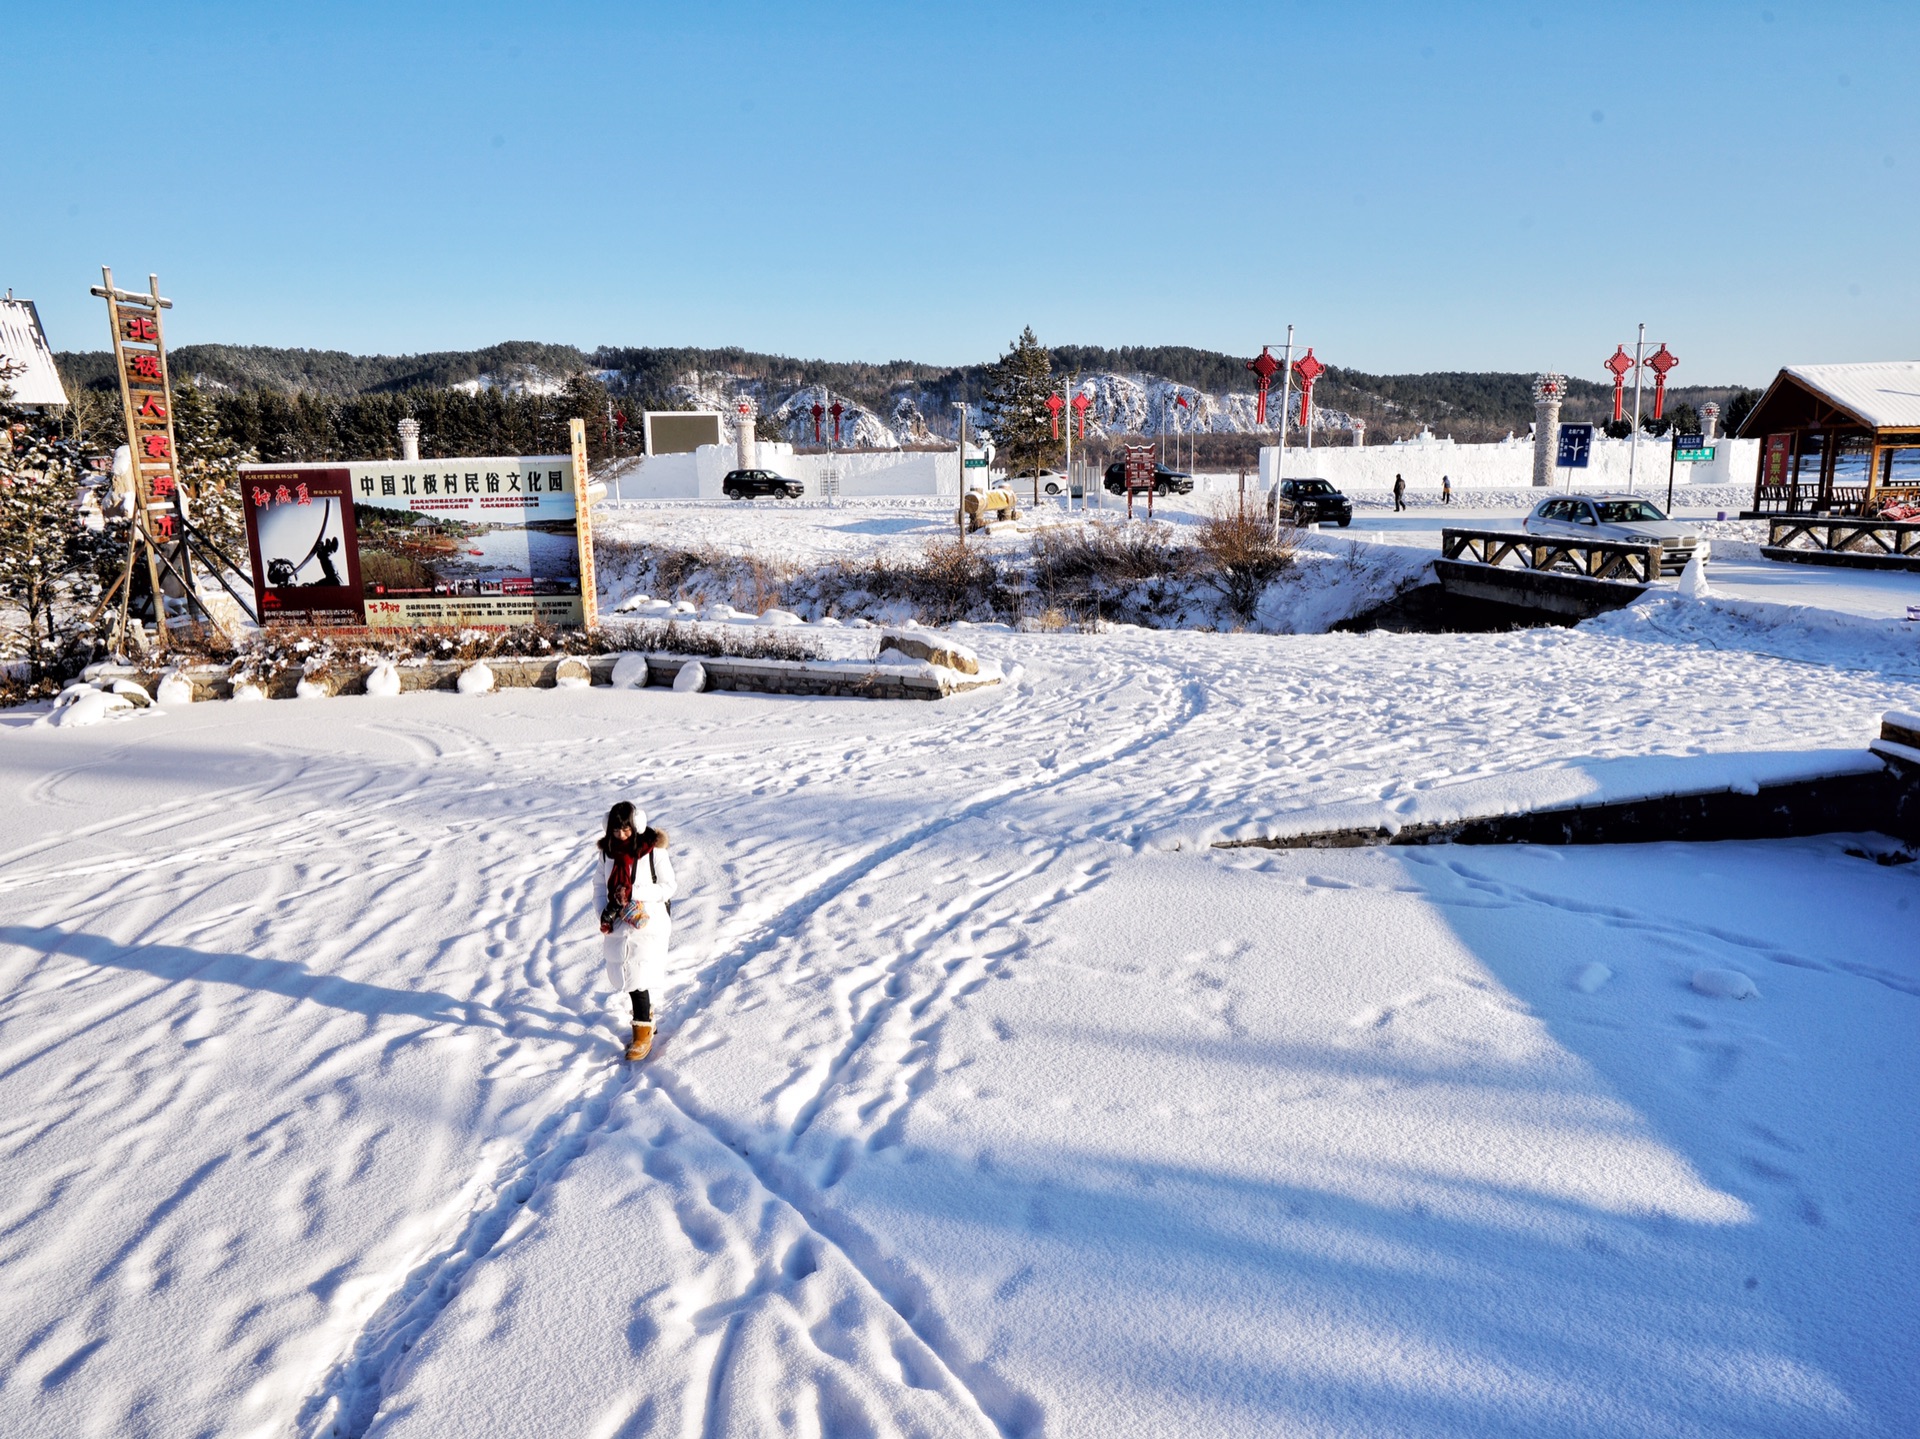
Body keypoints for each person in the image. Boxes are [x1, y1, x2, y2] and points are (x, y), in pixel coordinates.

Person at [595, 801, 677, 1061]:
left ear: (637, 825)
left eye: (626, 830)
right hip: (618, 921)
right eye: (615, 830)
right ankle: (646, 1018)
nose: (620, 835)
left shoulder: (654, 851)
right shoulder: (607, 853)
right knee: (625, 973)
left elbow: (668, 886)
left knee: (638, 975)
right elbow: (599, 886)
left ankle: (642, 1032)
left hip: (648, 921)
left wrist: (635, 893)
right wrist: (603, 912)